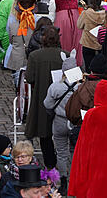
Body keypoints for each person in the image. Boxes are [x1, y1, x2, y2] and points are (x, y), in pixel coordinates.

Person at [23, 25, 62, 173]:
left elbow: (29, 77)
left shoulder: (35, 56)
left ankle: (50, 164)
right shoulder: (64, 55)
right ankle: (59, 163)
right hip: (61, 100)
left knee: (44, 133)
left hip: (41, 98)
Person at [43, 51, 81, 189]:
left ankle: (64, 180)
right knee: (76, 152)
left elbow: (47, 104)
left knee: (61, 152)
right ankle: (77, 179)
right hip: (76, 123)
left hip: (59, 121)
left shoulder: (55, 87)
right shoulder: (81, 87)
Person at [76, 0, 106, 72]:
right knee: (100, 69)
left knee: (88, 68)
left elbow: (79, 25)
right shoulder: (105, 14)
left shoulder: (86, 13)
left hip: (88, 43)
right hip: (100, 44)